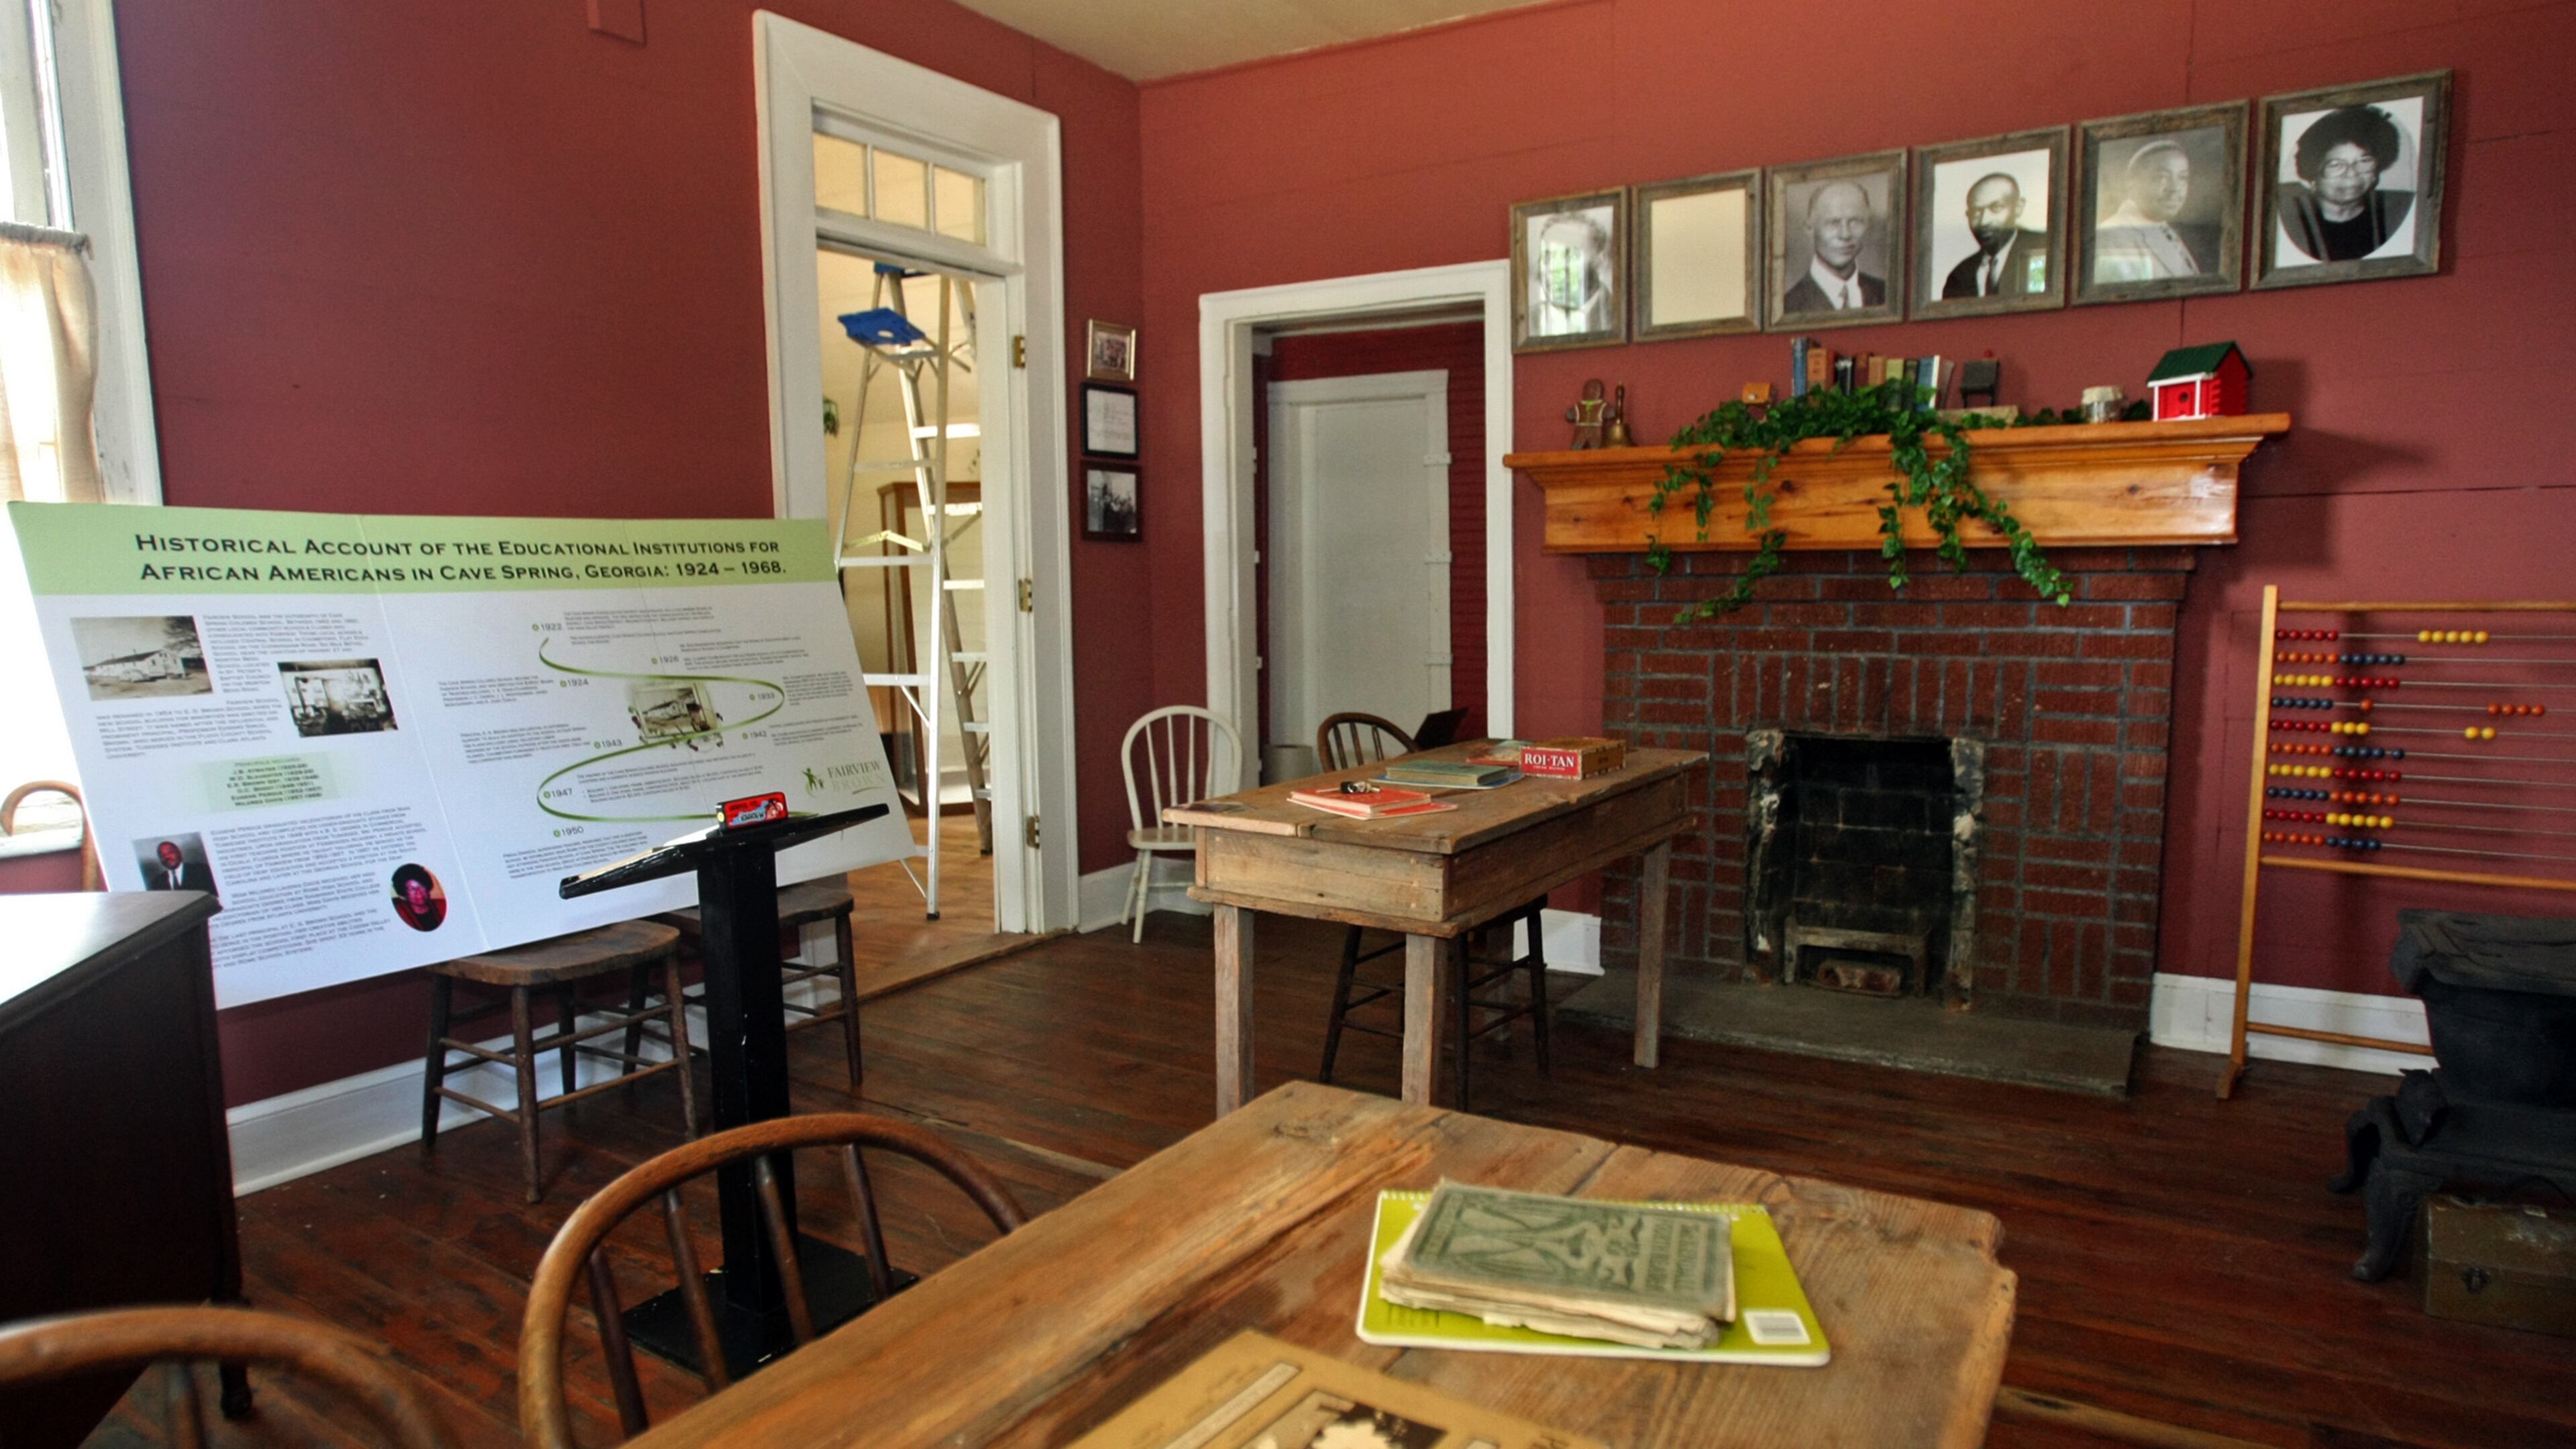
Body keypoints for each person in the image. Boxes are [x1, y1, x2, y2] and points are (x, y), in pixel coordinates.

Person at [2277, 103, 2414, 263]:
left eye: (2364, 161)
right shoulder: (2289, 218)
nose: (2351, 174)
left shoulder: (2397, 212)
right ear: (2313, 173)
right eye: (2336, 165)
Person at [2094, 140, 2210, 281]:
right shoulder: (2113, 236)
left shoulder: (2163, 229)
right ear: (2132, 182)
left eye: (2182, 178)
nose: (2174, 189)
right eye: (2162, 178)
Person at [1780, 180, 1885, 314]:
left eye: (1855, 222)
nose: (1845, 234)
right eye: (1833, 223)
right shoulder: (1787, 307)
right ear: (1809, 228)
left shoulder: (1887, 293)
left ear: (1868, 225)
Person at [1940, 173, 2051, 299]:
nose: (1984, 222)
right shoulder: (1959, 276)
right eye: (1976, 212)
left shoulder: (2045, 250)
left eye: (1996, 208)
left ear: (2018, 208)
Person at [1527, 210, 1614, 334]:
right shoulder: (1527, 322)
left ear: (1600, 261)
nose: (1553, 269)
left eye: (1569, 256)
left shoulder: (1620, 315)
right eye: (1547, 257)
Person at [144, 839, 214, 894]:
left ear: (179, 853)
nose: (167, 857)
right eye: (162, 855)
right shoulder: (157, 882)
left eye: (170, 852)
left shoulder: (201, 871)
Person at [392, 863, 445, 931]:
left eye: (421, 886)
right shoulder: (401, 912)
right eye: (411, 888)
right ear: (404, 893)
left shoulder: (441, 905)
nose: (418, 891)